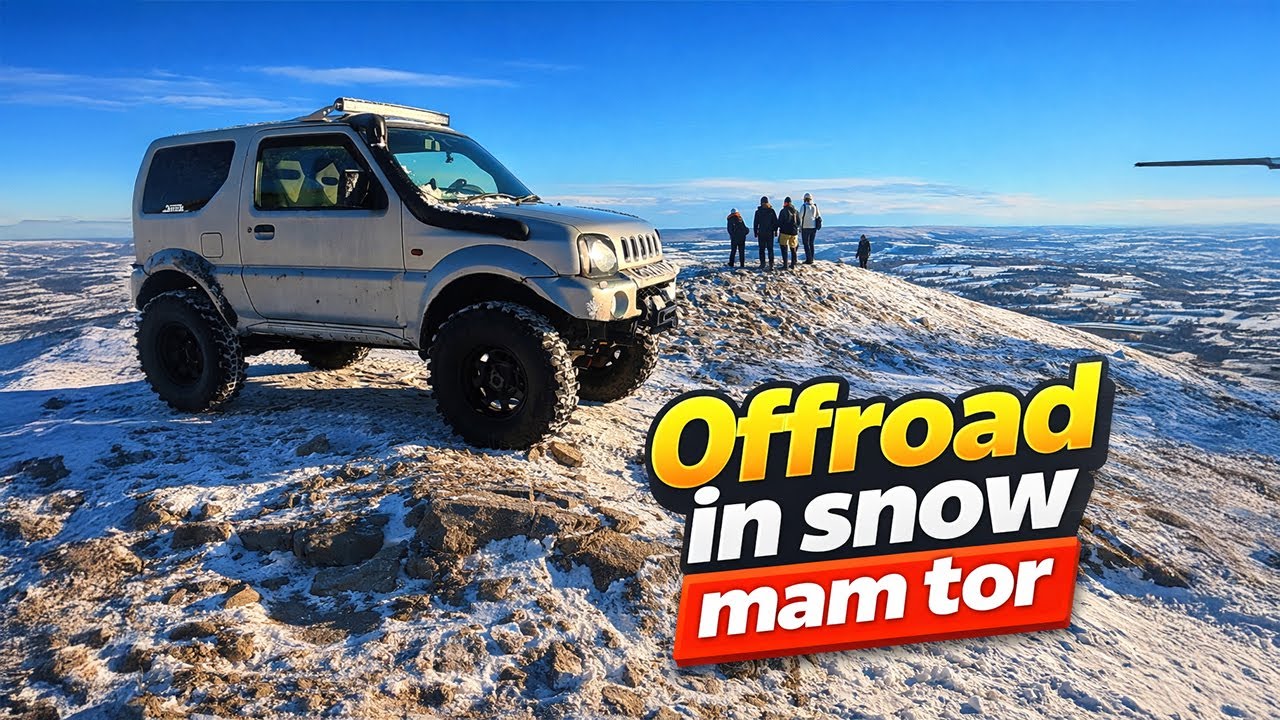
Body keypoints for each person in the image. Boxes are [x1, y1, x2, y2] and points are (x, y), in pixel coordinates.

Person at [753, 196, 778, 270]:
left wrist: (755, 231)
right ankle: (768, 264)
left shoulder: (759, 212)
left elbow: (755, 223)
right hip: (767, 232)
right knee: (767, 249)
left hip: (763, 232)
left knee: (763, 249)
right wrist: (775, 230)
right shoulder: (771, 211)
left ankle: (765, 264)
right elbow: (775, 222)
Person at [777, 196, 800, 269]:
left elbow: (779, 222)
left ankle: (785, 265)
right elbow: (799, 222)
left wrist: (780, 228)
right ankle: (793, 264)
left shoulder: (783, 211)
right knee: (793, 248)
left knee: (784, 247)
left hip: (785, 232)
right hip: (794, 232)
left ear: (785, 203)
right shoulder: (796, 211)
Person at [799, 192, 821, 264]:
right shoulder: (814, 206)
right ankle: (812, 258)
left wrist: (800, 227)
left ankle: (809, 259)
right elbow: (818, 216)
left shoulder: (804, 206)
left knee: (806, 243)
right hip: (813, 227)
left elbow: (800, 217)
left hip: (805, 227)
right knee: (811, 243)